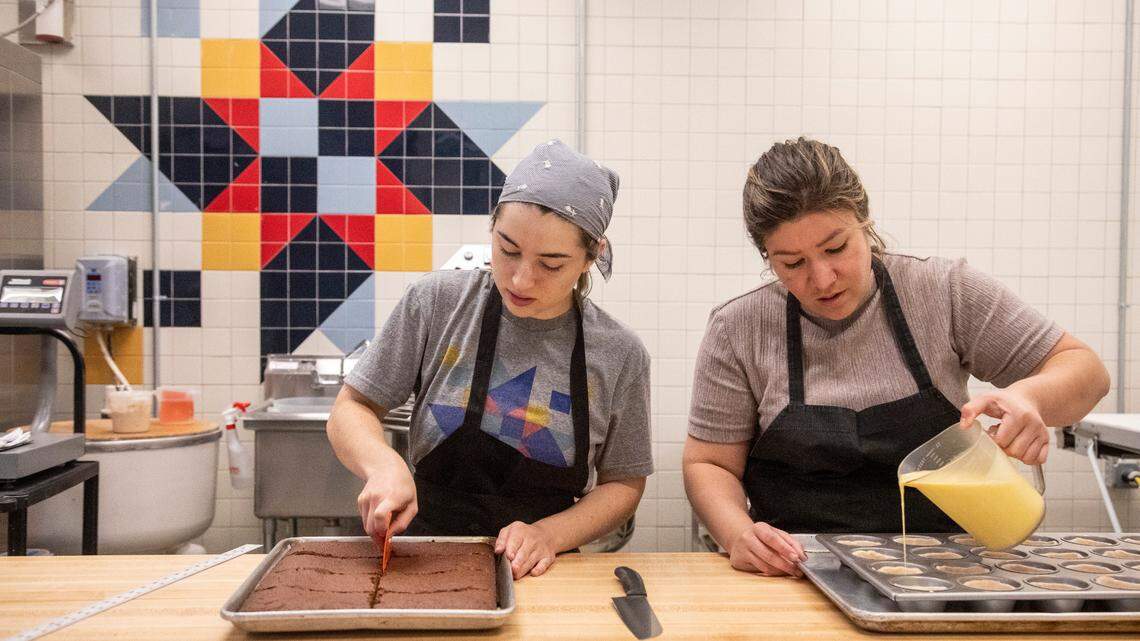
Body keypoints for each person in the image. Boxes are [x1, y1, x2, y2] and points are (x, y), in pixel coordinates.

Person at [683, 138, 1110, 577]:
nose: (823, 278)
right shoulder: (739, 328)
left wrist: (1030, 398)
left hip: (952, 568)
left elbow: (1086, 371)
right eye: (792, 263)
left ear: (864, 222)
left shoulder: (943, 291)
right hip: (797, 570)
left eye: (835, 248)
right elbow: (709, 463)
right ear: (767, 257)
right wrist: (738, 534)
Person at [328, 140, 653, 579]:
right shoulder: (437, 304)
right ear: (492, 228)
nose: (521, 278)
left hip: (542, 570)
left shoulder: (619, 353)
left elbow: (624, 483)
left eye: (551, 264)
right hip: (422, 556)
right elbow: (353, 407)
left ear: (590, 257)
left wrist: (550, 534)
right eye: (508, 249)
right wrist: (383, 465)